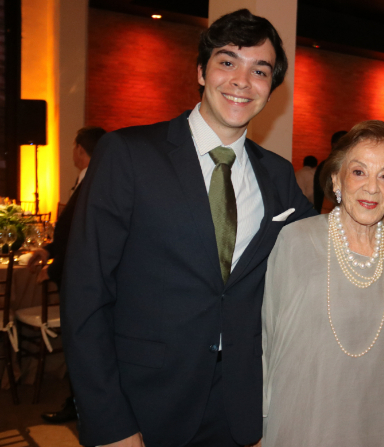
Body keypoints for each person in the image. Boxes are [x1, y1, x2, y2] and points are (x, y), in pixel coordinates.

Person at [61, 9, 315, 447]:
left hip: (239, 409)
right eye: (227, 62)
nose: (242, 80)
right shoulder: (128, 154)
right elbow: (85, 294)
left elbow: (324, 250)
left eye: (259, 70)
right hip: (143, 404)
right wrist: (109, 422)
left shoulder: (277, 175)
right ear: (201, 71)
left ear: (271, 87)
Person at [262, 120, 384, 446]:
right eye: (359, 172)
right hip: (306, 420)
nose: (372, 188)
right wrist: (258, 423)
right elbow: (267, 339)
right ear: (336, 178)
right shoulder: (296, 240)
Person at [26, 126, 106, 424]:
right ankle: (78, 403)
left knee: (82, 346)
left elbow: (84, 242)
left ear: (80, 150)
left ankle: (81, 407)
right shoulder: (87, 179)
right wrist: (47, 250)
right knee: (80, 345)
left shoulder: (96, 184)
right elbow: (69, 232)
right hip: (74, 277)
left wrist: (54, 269)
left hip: (83, 283)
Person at [313, 130, 347, 213]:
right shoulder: (332, 166)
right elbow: (328, 201)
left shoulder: (325, 164)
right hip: (330, 215)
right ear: (335, 145)